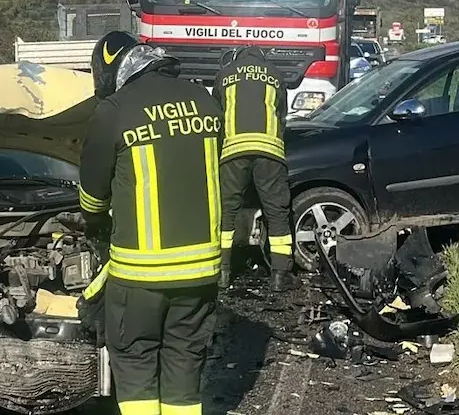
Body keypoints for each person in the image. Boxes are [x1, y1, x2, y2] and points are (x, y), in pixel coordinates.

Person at [77, 30, 223, 415]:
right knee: (185, 364)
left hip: (139, 276)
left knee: (136, 364)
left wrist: (94, 223)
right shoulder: (204, 101)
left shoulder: (115, 110)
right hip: (200, 273)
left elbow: (93, 193)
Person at [212, 45, 299, 292]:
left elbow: (217, 115)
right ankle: (280, 275)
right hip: (269, 151)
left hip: (233, 151)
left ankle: (222, 272)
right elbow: (282, 114)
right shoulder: (275, 74)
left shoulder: (224, 74)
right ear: (263, 58)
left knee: (226, 211)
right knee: (277, 212)